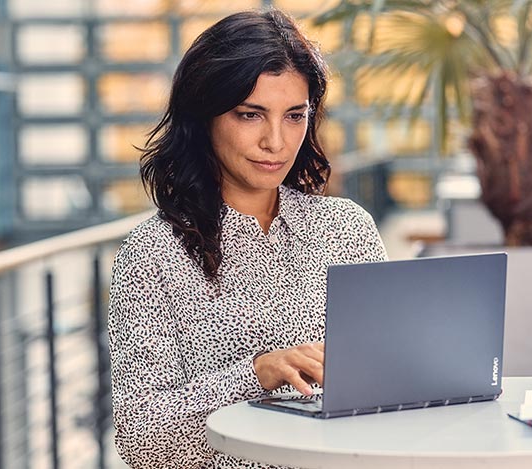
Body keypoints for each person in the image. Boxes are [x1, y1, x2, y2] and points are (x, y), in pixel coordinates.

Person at [107, 9, 388, 468]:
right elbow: (143, 442)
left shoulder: (347, 229)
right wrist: (256, 374)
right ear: (205, 116)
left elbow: (390, 382)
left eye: (294, 116)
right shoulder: (151, 255)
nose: (275, 141)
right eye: (250, 115)